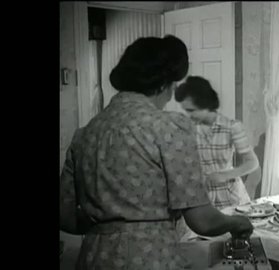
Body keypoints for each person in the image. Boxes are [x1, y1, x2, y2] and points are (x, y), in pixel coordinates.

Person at [60, 36, 253, 270]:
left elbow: (65, 216)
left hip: (94, 259)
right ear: (164, 84)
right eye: (173, 85)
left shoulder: (84, 134)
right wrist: (237, 222)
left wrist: (109, 225)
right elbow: (202, 221)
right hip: (152, 258)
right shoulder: (170, 128)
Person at [174, 76, 260, 209]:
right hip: (202, 196)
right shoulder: (188, 128)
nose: (188, 115)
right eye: (186, 111)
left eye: (191, 110)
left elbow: (252, 162)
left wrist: (225, 175)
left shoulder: (231, 127)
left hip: (230, 196)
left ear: (205, 104)